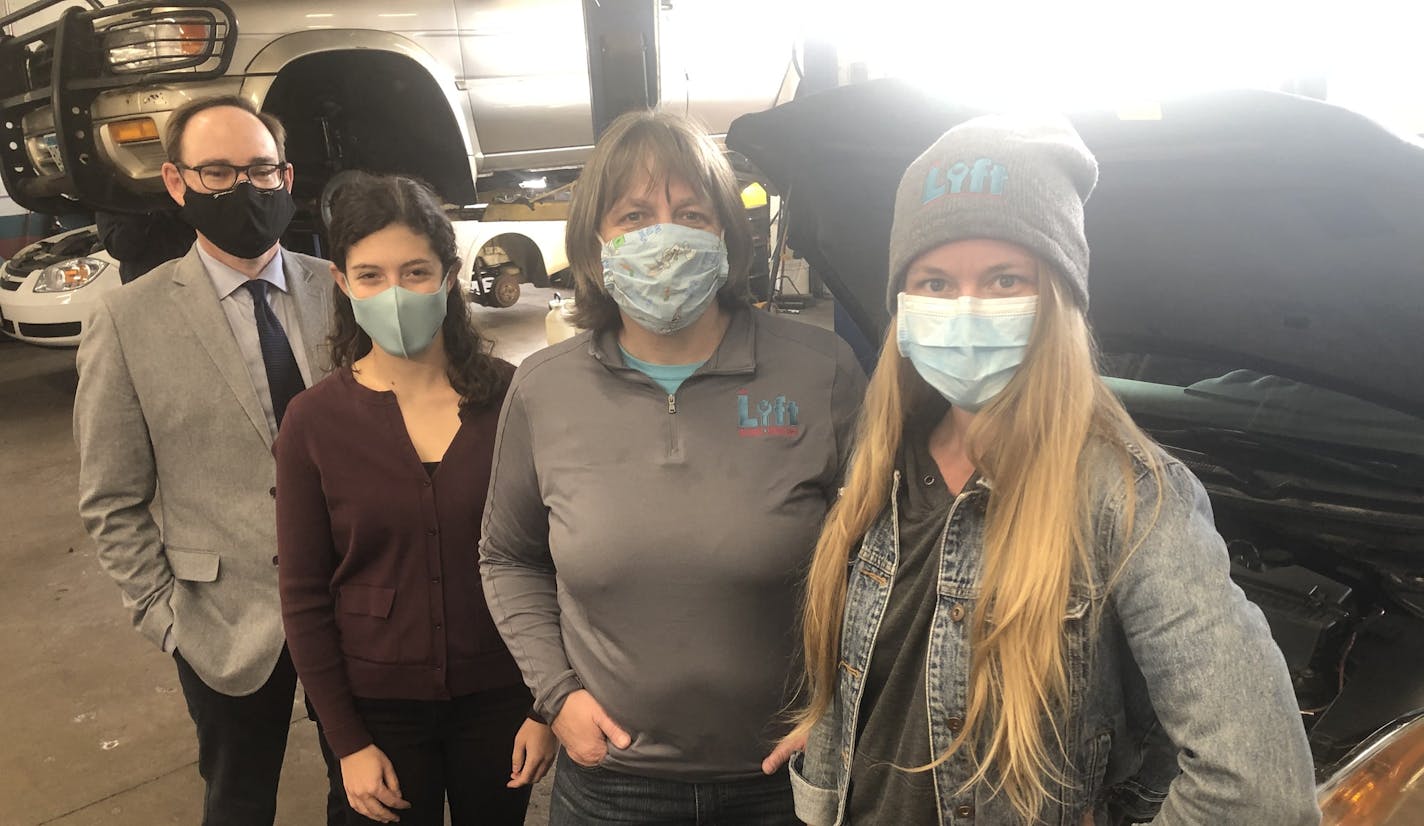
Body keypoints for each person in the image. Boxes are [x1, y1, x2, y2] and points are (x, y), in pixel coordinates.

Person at [785, 114, 1322, 825]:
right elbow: (902, 670)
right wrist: (842, 729)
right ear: (904, 308)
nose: (967, 308)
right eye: (936, 282)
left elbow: (1259, 792)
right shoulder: (885, 457)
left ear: (1059, 299)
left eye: (1005, 279)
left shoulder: (1128, 499)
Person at [479, 109, 867, 824]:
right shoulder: (544, 389)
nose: (665, 235)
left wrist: (843, 705)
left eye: (692, 212)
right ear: (595, 246)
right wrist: (558, 695)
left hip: (786, 776)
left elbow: (886, 555)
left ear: (726, 234)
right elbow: (507, 557)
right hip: (612, 784)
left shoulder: (821, 373)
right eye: (634, 215)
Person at [74, 95, 333, 826]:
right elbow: (111, 498)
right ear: (177, 182)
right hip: (219, 619)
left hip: (356, 599)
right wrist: (164, 618)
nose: (243, 190)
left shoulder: (341, 292)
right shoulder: (127, 322)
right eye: (216, 172)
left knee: (370, 790)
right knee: (239, 799)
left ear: (286, 176)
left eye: (259, 170)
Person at [276, 173, 557, 826]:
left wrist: (545, 706)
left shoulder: (515, 400)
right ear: (342, 284)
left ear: (450, 275)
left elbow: (556, 559)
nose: (393, 293)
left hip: (503, 700)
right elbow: (304, 593)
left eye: (415, 272)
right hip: (377, 712)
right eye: (370, 275)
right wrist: (346, 742)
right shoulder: (313, 422)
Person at [94, 208, 195, 283]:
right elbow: (120, 247)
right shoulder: (111, 197)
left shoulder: (178, 186)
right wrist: (141, 207)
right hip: (145, 283)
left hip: (190, 272)